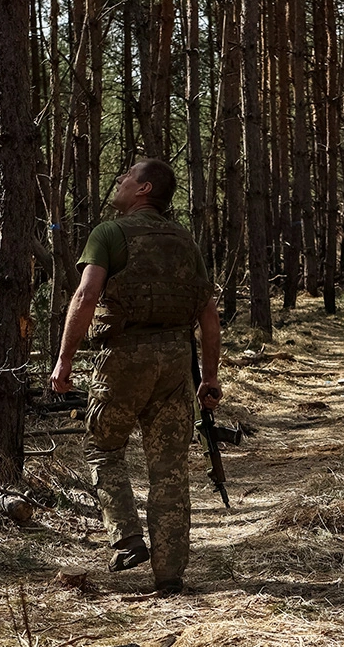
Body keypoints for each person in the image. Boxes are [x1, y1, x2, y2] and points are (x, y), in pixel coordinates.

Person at [49, 158, 222, 595]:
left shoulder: (110, 233)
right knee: (169, 469)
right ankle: (170, 573)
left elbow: (87, 294)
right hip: (175, 363)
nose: (119, 182)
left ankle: (126, 539)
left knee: (103, 448)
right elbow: (207, 314)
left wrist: (64, 360)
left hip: (124, 358)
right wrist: (210, 378)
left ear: (144, 189)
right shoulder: (186, 241)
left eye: (126, 177)